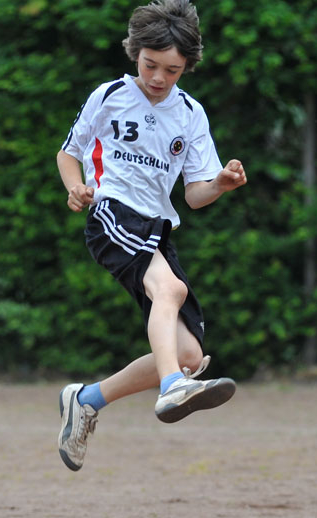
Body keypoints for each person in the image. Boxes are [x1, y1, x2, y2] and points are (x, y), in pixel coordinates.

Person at [56, 0, 248, 472]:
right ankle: (171, 389)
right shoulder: (110, 95)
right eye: (150, 65)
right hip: (112, 213)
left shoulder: (191, 114)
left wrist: (220, 184)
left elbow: (195, 195)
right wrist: (75, 187)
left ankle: (87, 399)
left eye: (172, 70)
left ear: (187, 67)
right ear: (135, 53)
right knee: (171, 290)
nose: (159, 77)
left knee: (188, 354)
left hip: (156, 229)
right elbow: (68, 153)